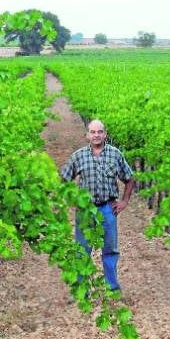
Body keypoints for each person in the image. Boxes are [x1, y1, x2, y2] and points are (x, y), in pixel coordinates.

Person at [60, 119, 134, 292]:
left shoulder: (115, 154)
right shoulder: (78, 156)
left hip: (108, 209)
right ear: (87, 135)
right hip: (85, 211)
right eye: (93, 132)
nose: (96, 135)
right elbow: (64, 178)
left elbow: (129, 178)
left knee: (110, 250)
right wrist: (70, 198)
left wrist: (124, 201)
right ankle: (82, 290)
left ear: (105, 134)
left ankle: (112, 288)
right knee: (82, 249)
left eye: (99, 132)